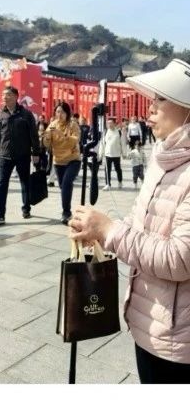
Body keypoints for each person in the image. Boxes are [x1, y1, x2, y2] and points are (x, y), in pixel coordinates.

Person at [69, 59, 190, 382]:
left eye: (161, 99)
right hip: (151, 322)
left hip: (179, 340)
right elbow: (140, 224)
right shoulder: (163, 157)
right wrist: (97, 231)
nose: (151, 107)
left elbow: (180, 258)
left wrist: (111, 230)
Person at [0, 86, 40, 225]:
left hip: (23, 155)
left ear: (16, 97)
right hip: (5, 156)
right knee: (1, 185)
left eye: (8, 95)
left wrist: (36, 152)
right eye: (4, 95)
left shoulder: (26, 114)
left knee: (25, 182)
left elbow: (33, 135)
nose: (5, 97)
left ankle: (26, 208)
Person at [41, 102, 82, 226]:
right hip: (58, 161)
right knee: (63, 187)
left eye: (63, 112)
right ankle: (67, 209)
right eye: (58, 112)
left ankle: (66, 212)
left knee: (66, 183)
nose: (60, 114)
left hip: (73, 159)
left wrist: (62, 135)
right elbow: (47, 144)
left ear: (67, 113)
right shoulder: (52, 125)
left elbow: (75, 140)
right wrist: (46, 137)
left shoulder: (73, 125)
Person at [102, 118, 126, 189]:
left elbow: (123, 143)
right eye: (108, 123)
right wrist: (100, 154)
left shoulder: (119, 132)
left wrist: (124, 153)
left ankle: (120, 181)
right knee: (107, 170)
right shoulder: (106, 132)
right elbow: (102, 143)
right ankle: (108, 184)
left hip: (116, 154)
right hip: (108, 154)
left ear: (115, 124)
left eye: (111, 123)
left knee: (117, 169)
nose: (109, 125)